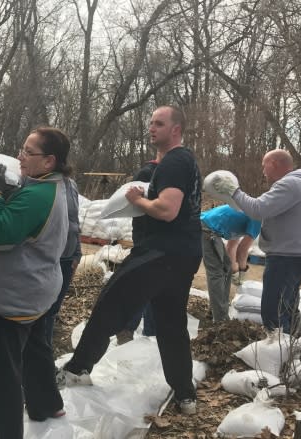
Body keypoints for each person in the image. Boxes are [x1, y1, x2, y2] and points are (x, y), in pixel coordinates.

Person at [57, 105, 202, 415]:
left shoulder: (177, 160)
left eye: (159, 123)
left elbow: (168, 210)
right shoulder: (174, 164)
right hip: (182, 254)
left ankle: (77, 369)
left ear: (176, 129)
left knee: (110, 303)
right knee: (171, 324)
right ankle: (185, 395)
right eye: (150, 122)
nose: (151, 128)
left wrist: (136, 200)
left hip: (160, 253)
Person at [0, 127, 70, 439]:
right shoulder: (56, 186)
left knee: (2, 374)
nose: (20, 156)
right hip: (40, 288)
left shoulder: (36, 194)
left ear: (48, 161)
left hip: (15, 297)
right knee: (35, 348)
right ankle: (47, 404)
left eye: (27, 152)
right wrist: (4, 200)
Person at [213, 149, 301, 334]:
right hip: (295, 255)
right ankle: (290, 344)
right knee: (287, 305)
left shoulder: (290, 184)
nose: (263, 170)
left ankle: (277, 352)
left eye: (264, 165)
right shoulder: (297, 184)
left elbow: (258, 209)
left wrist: (233, 191)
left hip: (287, 258)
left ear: (275, 164)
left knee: (273, 310)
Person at [117, 153, 161, 344]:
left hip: (162, 237)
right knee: (144, 283)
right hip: (146, 236)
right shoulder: (146, 173)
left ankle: (151, 331)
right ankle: (127, 328)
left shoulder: (171, 174)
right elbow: (134, 204)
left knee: (156, 285)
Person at [200, 205, 261, 321]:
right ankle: (220, 319)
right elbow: (242, 250)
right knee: (216, 273)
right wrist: (242, 273)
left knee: (226, 268)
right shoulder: (258, 218)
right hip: (207, 229)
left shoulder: (244, 217)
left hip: (210, 228)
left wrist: (233, 271)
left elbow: (231, 246)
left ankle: (216, 310)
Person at [42, 174, 82, 347]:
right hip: (49, 258)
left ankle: (45, 352)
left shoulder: (71, 185)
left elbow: (74, 223)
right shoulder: (43, 186)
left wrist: (77, 253)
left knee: (52, 310)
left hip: (67, 258)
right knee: (42, 311)